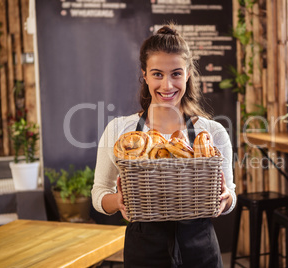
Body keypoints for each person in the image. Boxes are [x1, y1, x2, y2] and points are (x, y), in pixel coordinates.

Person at [92, 24, 236, 268]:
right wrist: (118, 201)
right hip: (144, 249)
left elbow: (230, 192)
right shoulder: (120, 131)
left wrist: (224, 199)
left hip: (200, 248)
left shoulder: (212, 132)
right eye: (157, 74)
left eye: (176, 74)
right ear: (144, 75)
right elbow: (99, 193)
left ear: (188, 74)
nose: (167, 86)